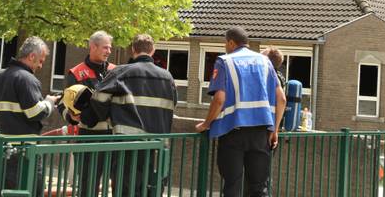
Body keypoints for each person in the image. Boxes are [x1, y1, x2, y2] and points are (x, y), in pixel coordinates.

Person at [195, 28, 287, 197]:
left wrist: (206, 124)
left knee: (232, 186)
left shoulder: (224, 61)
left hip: (232, 133)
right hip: (261, 133)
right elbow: (281, 99)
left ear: (231, 42)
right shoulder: (265, 62)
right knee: (259, 188)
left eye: (225, 43)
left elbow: (219, 99)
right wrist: (275, 130)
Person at [82, 34, 177, 196]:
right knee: (151, 189)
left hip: (127, 143)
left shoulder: (121, 72)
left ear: (133, 50)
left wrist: (91, 118)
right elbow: (172, 105)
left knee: (126, 188)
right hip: (157, 146)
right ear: (153, 50)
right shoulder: (168, 77)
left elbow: (98, 99)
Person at [0, 36, 58, 195]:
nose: (41, 65)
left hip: (4, 150)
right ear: (32, 56)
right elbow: (35, 112)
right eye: (41, 60)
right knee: (32, 191)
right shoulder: (27, 79)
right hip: (26, 152)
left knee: (5, 191)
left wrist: (8, 124)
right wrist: (49, 102)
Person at [59, 31, 117, 196]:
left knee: (118, 182)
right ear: (93, 47)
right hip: (88, 135)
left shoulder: (115, 71)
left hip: (114, 135)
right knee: (88, 184)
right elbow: (62, 103)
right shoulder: (76, 73)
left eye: (110, 48)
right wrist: (71, 117)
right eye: (105, 47)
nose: (109, 51)